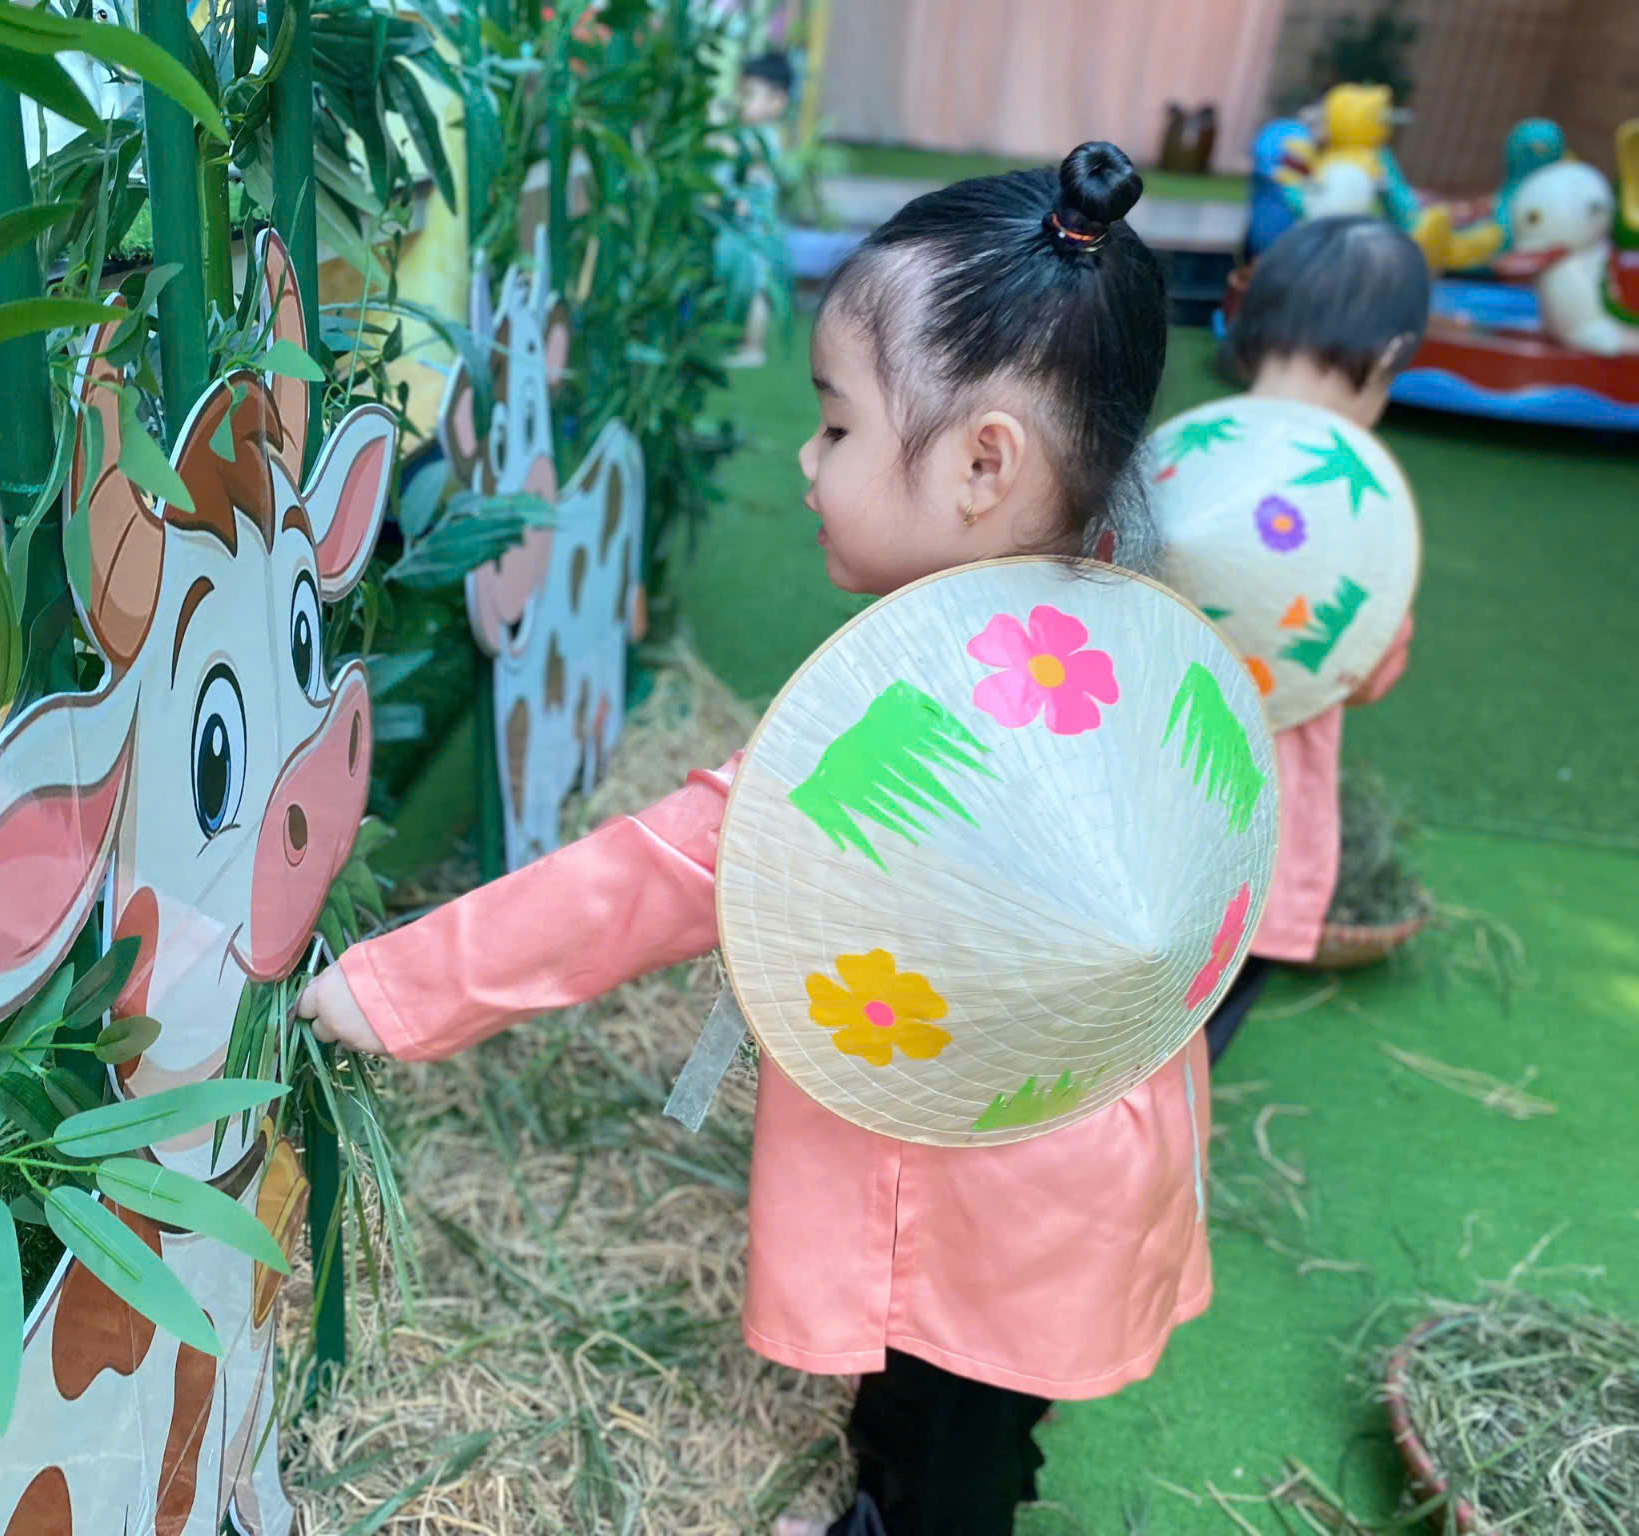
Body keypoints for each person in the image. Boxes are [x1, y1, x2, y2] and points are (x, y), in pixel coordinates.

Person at [304, 144, 1188, 1536]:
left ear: (982, 464)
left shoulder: (903, 726)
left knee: (950, 1420)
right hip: (1086, 1135)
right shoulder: (1124, 638)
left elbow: (656, 874)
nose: (806, 460)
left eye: (835, 428)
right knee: (965, 1392)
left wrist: (389, 990)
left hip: (992, 1179)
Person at [1200, 215, 1428, 1066]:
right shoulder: (1358, 508)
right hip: (1259, 828)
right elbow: (1367, 671)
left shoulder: (1193, 451)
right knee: (1198, 1035)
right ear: (1389, 354)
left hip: (1144, 804)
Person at [715, 51, 795, 369]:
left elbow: (741, 159)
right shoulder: (749, 133)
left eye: (748, 94)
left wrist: (717, 132)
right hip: (740, 224)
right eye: (739, 92)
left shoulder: (764, 138)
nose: (739, 101)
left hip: (757, 228)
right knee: (740, 280)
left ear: (777, 103)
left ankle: (753, 346)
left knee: (758, 286)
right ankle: (737, 337)